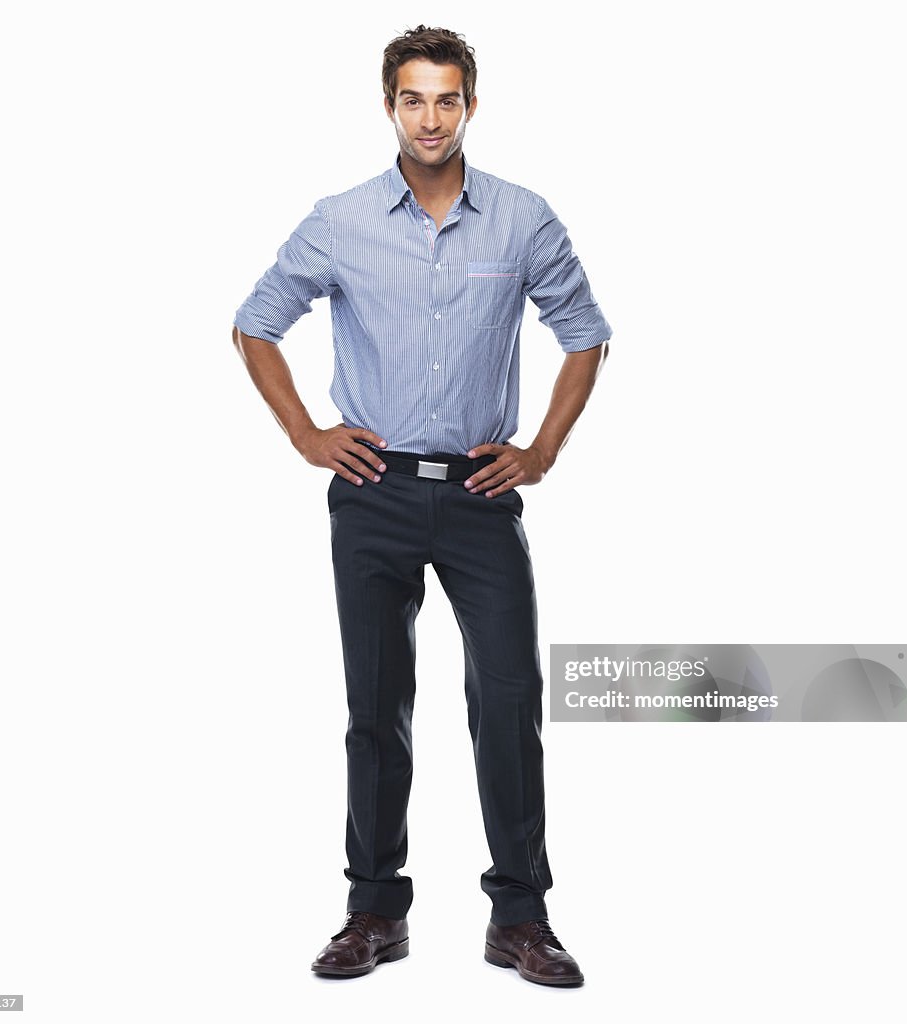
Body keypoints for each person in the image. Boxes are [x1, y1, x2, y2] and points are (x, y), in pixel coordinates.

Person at [231, 25, 610, 987]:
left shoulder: (522, 220)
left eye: (448, 99)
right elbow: (254, 323)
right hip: (372, 493)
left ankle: (519, 919)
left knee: (510, 701)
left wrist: (544, 449)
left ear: (470, 106)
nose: (431, 117)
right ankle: (373, 911)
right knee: (375, 707)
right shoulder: (341, 220)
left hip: (483, 495)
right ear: (389, 106)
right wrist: (306, 435)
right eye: (413, 99)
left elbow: (587, 335)